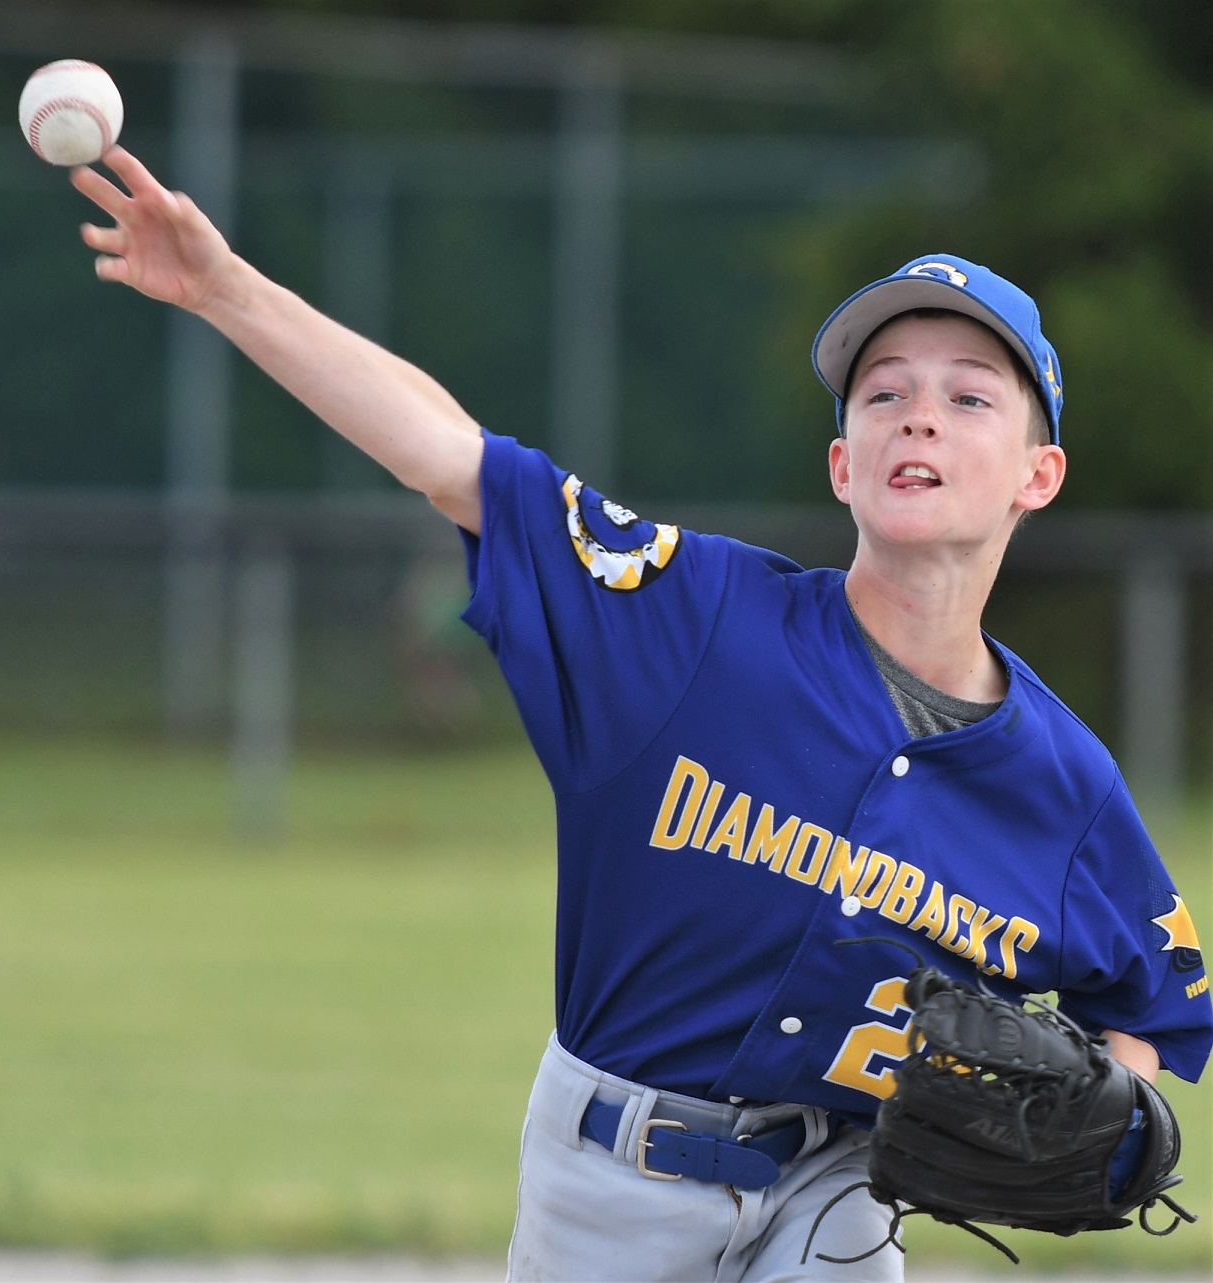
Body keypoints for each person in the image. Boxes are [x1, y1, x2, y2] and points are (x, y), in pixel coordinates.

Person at [71, 148, 1211, 1281]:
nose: (919, 417)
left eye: (968, 396)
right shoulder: (691, 617)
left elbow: (1156, 1001)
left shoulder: (1063, 785)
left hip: (838, 1199)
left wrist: (1100, 1107)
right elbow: (453, 460)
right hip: (612, 1183)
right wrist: (224, 287)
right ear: (841, 464)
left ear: (1037, 475)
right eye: (883, 393)